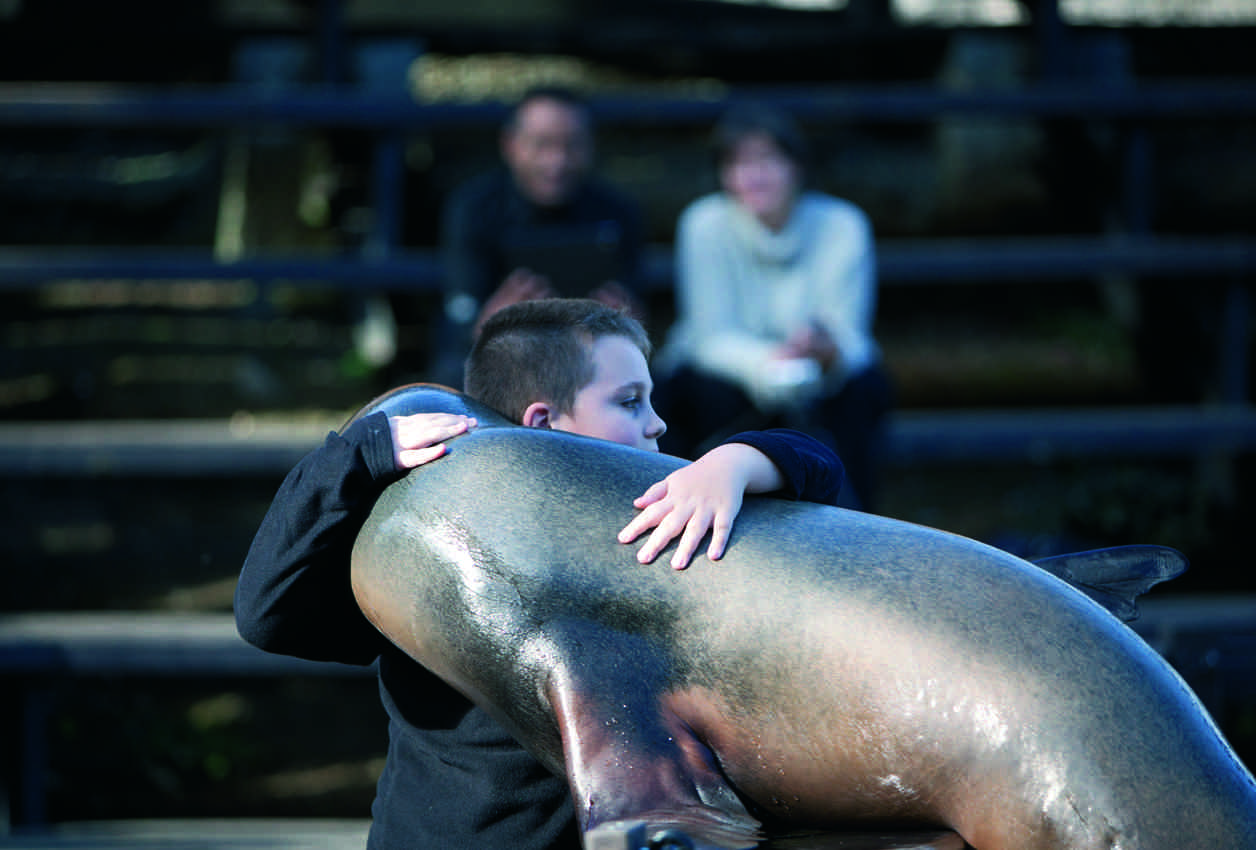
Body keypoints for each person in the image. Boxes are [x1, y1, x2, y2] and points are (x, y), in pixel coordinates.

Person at [235, 298, 844, 849]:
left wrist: (735, 462)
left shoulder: (652, 523)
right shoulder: (434, 553)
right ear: (543, 424)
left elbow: (822, 470)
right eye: (630, 402)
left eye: (650, 399)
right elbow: (269, 616)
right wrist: (357, 454)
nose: (657, 423)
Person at [653, 101, 893, 512]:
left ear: (796, 166)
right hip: (726, 376)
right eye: (738, 163)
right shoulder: (704, 224)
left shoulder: (843, 225)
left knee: (865, 389)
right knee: (697, 391)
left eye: (767, 160)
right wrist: (772, 363)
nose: (753, 176)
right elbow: (710, 335)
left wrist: (825, 352)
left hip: (818, 375)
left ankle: (856, 523)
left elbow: (851, 335)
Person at [431, 85, 646, 388]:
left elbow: (634, 310)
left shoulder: (618, 211)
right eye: (542, 145)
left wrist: (627, 322)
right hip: (502, 359)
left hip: (592, 357)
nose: (556, 162)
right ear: (511, 144)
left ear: (591, 146)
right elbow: (461, 315)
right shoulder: (474, 208)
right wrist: (493, 323)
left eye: (572, 145)